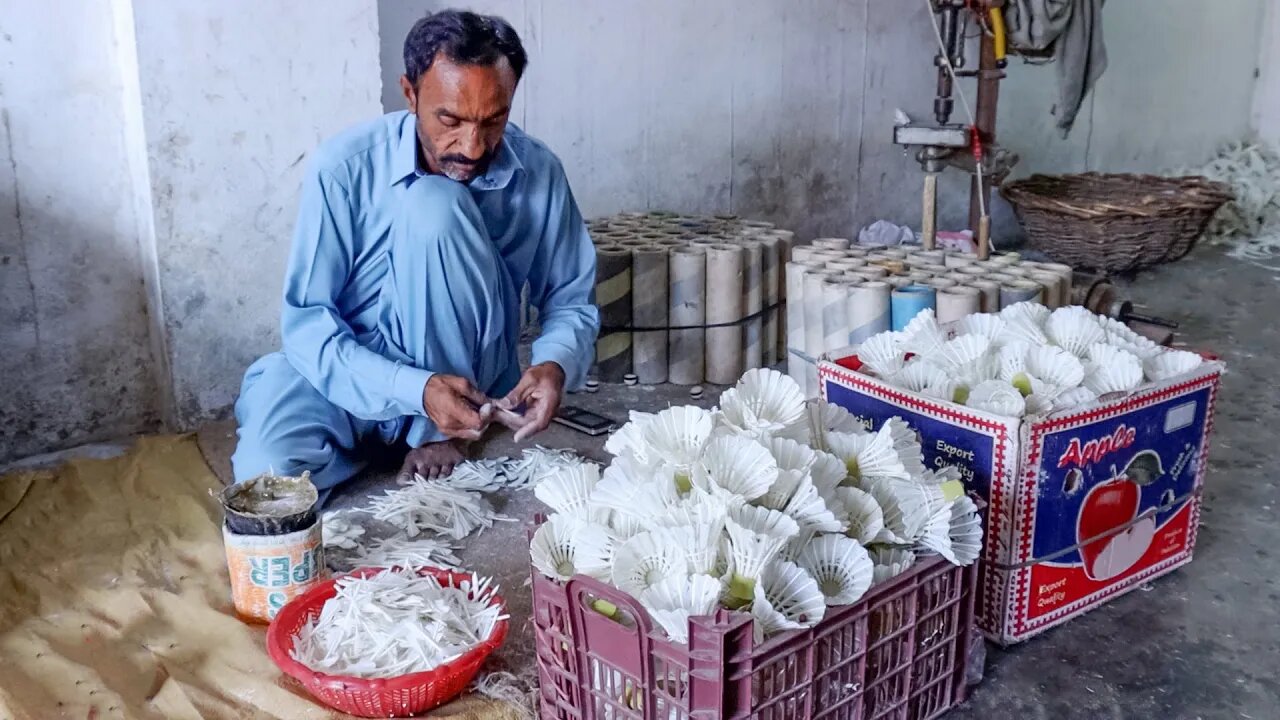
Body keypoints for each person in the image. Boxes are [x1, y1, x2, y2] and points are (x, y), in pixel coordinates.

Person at [231, 9, 598, 495]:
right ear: (410, 94)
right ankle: (377, 434)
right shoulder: (343, 170)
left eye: (495, 120)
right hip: (355, 372)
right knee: (269, 486)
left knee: (435, 207)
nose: (472, 146)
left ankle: (440, 432)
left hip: (468, 375)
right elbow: (308, 326)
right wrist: (413, 391)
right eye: (450, 119)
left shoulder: (539, 172)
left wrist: (555, 363)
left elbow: (570, 298)